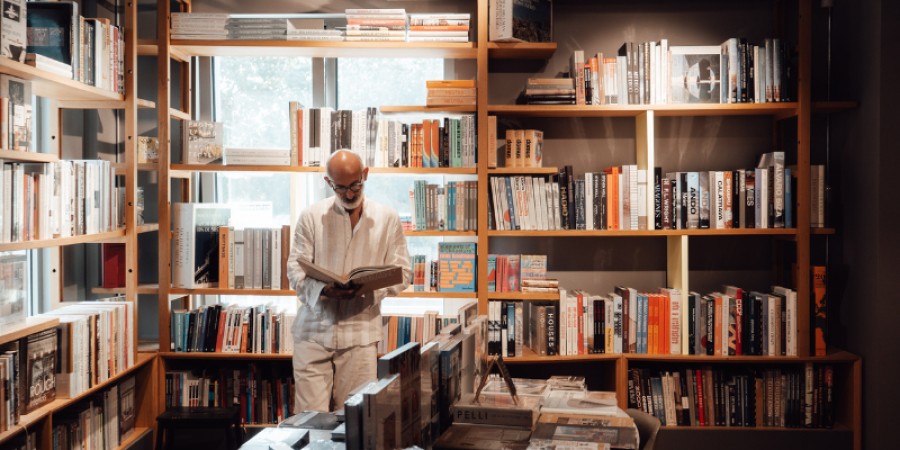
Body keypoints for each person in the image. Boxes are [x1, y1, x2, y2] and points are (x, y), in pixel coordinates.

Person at [286, 149, 412, 413]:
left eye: (356, 184)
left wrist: (369, 288)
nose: (351, 194)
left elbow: (404, 273)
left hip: (361, 333)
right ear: (328, 183)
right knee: (309, 421)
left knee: (357, 421)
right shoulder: (311, 216)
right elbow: (295, 273)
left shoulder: (387, 218)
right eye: (340, 188)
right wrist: (324, 290)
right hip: (313, 331)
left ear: (365, 175)